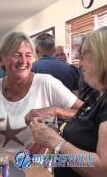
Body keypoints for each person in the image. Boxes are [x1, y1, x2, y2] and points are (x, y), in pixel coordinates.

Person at [0, 31, 83, 153]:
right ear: (1, 60)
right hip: (2, 167)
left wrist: (55, 110)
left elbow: (87, 113)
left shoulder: (46, 83)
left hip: (38, 168)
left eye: (28, 55)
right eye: (16, 55)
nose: (23, 61)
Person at [29, 26, 107, 177]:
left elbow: (102, 168)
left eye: (83, 54)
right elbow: (83, 137)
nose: (79, 62)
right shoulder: (95, 95)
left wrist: (53, 140)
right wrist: (44, 147)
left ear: (101, 56)